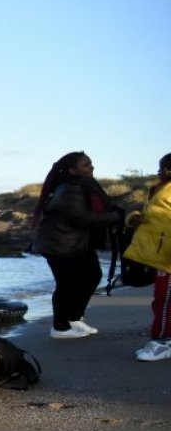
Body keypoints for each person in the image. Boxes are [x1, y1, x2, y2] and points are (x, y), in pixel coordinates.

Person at [30, 151, 122, 339]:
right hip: (60, 244)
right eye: (86, 165)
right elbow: (82, 219)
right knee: (66, 284)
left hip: (78, 242)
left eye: (91, 163)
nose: (91, 167)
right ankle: (60, 327)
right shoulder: (70, 189)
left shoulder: (83, 185)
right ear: (72, 170)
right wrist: (116, 217)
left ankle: (74, 318)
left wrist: (113, 214)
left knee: (92, 276)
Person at [125, 153, 171, 361]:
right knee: (163, 298)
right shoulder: (161, 187)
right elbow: (156, 215)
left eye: (165, 167)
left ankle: (162, 342)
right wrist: (135, 219)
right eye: (160, 167)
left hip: (168, 256)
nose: (160, 171)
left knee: (165, 298)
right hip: (160, 253)